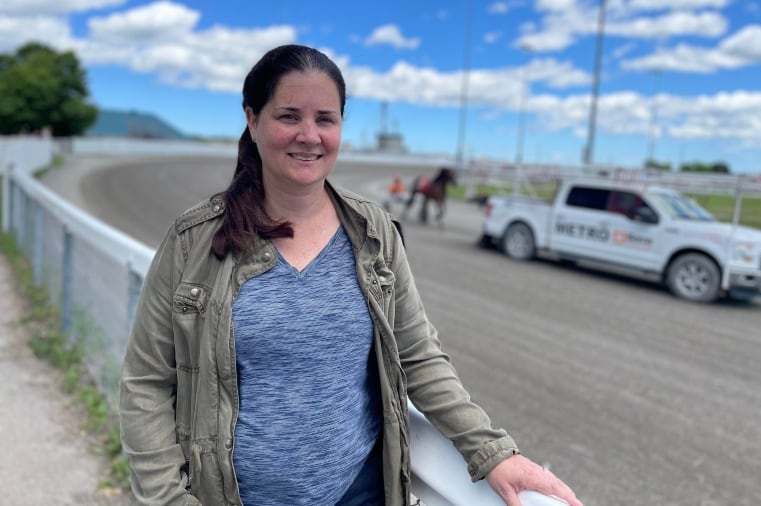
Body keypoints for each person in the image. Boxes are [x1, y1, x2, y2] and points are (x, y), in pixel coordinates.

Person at [119, 44, 582, 506]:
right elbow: (146, 383)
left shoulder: (374, 232)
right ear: (252, 119)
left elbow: (418, 355)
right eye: (288, 116)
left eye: (325, 119)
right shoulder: (192, 241)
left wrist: (492, 451)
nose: (309, 135)